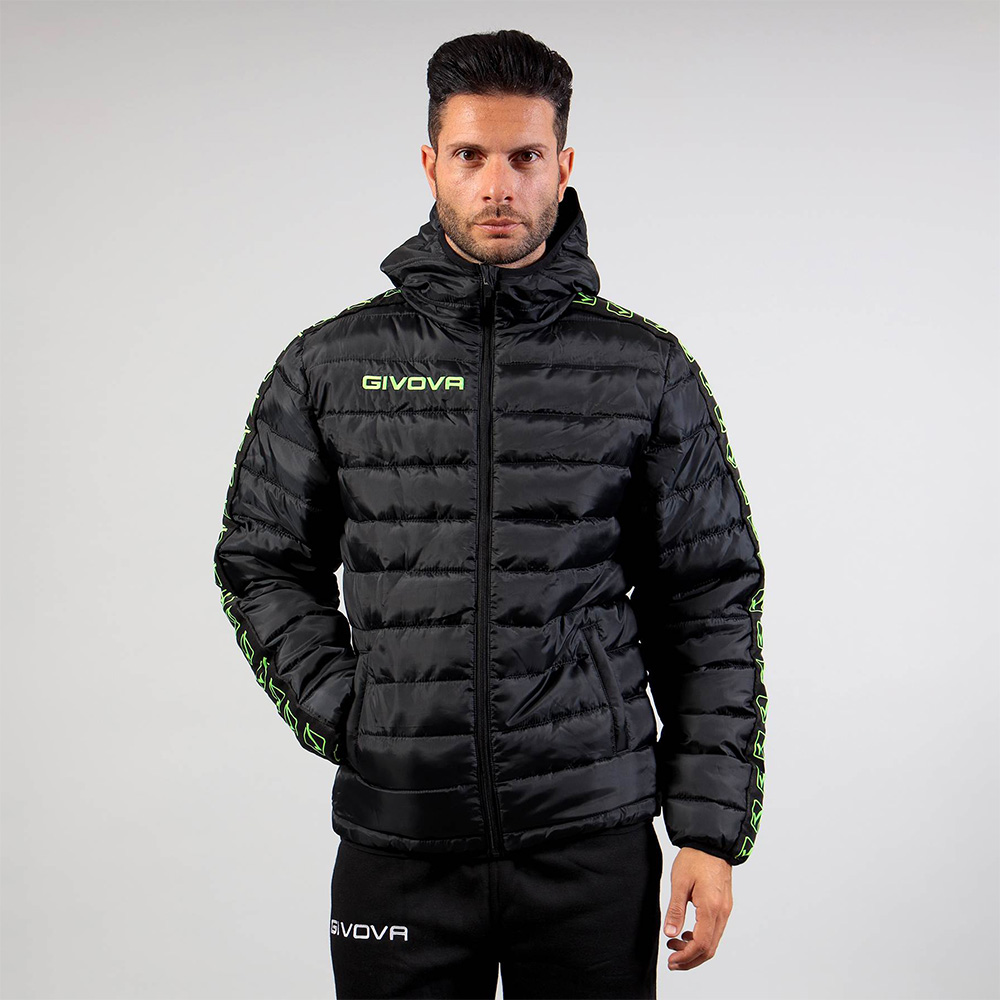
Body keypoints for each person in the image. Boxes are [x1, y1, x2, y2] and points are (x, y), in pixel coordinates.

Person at [212, 27, 767, 999]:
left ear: (563, 164)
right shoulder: (329, 364)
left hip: (590, 837)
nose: (498, 185)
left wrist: (709, 833)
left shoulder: (644, 368)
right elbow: (260, 558)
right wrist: (352, 714)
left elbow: (708, 597)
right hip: (399, 838)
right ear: (431, 162)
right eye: (471, 155)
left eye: (524, 156)